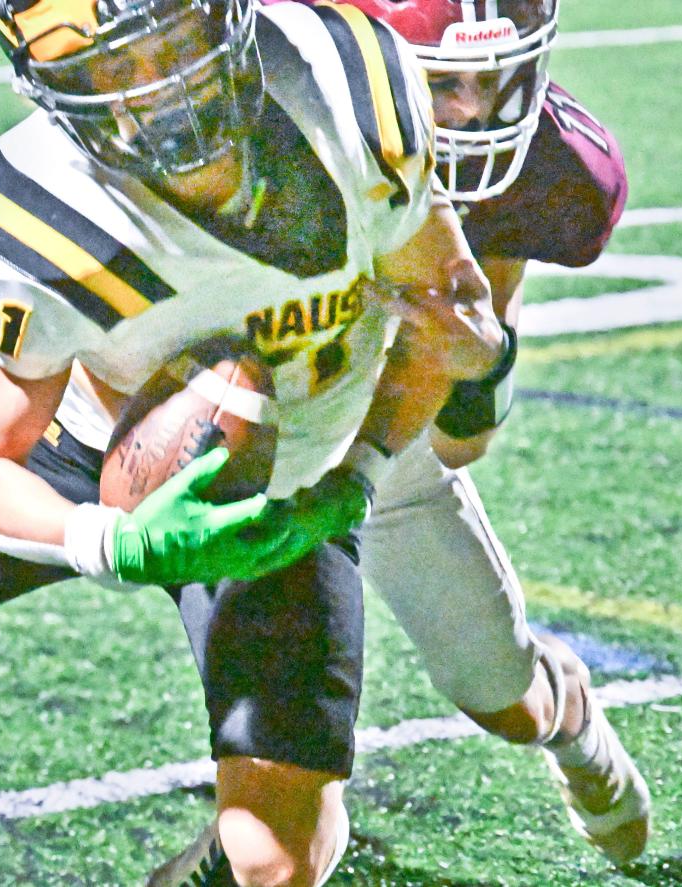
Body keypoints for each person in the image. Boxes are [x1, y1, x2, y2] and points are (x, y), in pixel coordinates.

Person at [0, 0, 506, 885]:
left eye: (172, 44)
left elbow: (447, 309)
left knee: (277, 861)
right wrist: (112, 538)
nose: (157, 93)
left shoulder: (346, 82)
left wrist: (361, 470)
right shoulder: (43, 212)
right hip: (77, 456)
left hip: (282, 489)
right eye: (110, 70)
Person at [150, 0, 650, 883]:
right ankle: (260, 831)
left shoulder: (550, 172)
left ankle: (565, 710)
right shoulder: (257, 102)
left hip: (395, 439)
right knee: (280, 791)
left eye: (493, 81)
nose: (470, 112)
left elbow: (465, 434)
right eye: (443, 82)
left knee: (503, 702)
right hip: (254, 427)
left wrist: (465, 359)